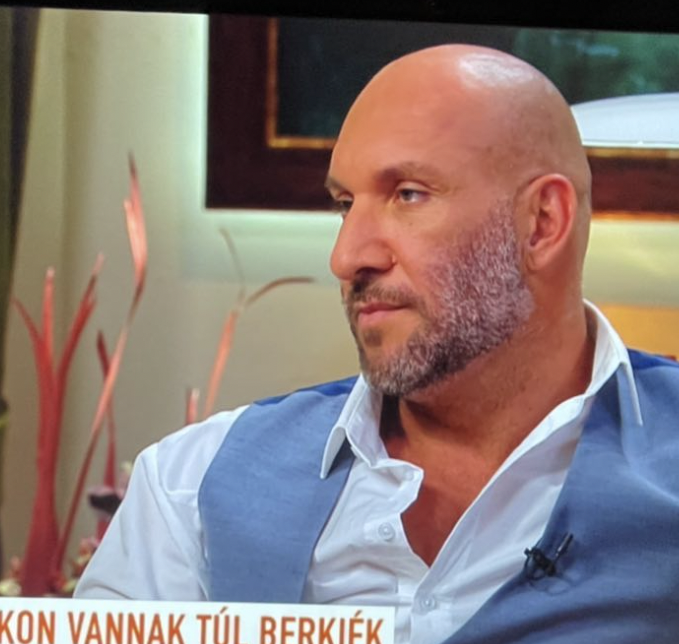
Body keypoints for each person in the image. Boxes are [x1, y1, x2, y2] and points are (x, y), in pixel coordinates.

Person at [74, 44, 679, 643]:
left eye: (408, 194)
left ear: (542, 223)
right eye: (344, 205)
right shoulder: (187, 489)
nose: (346, 257)